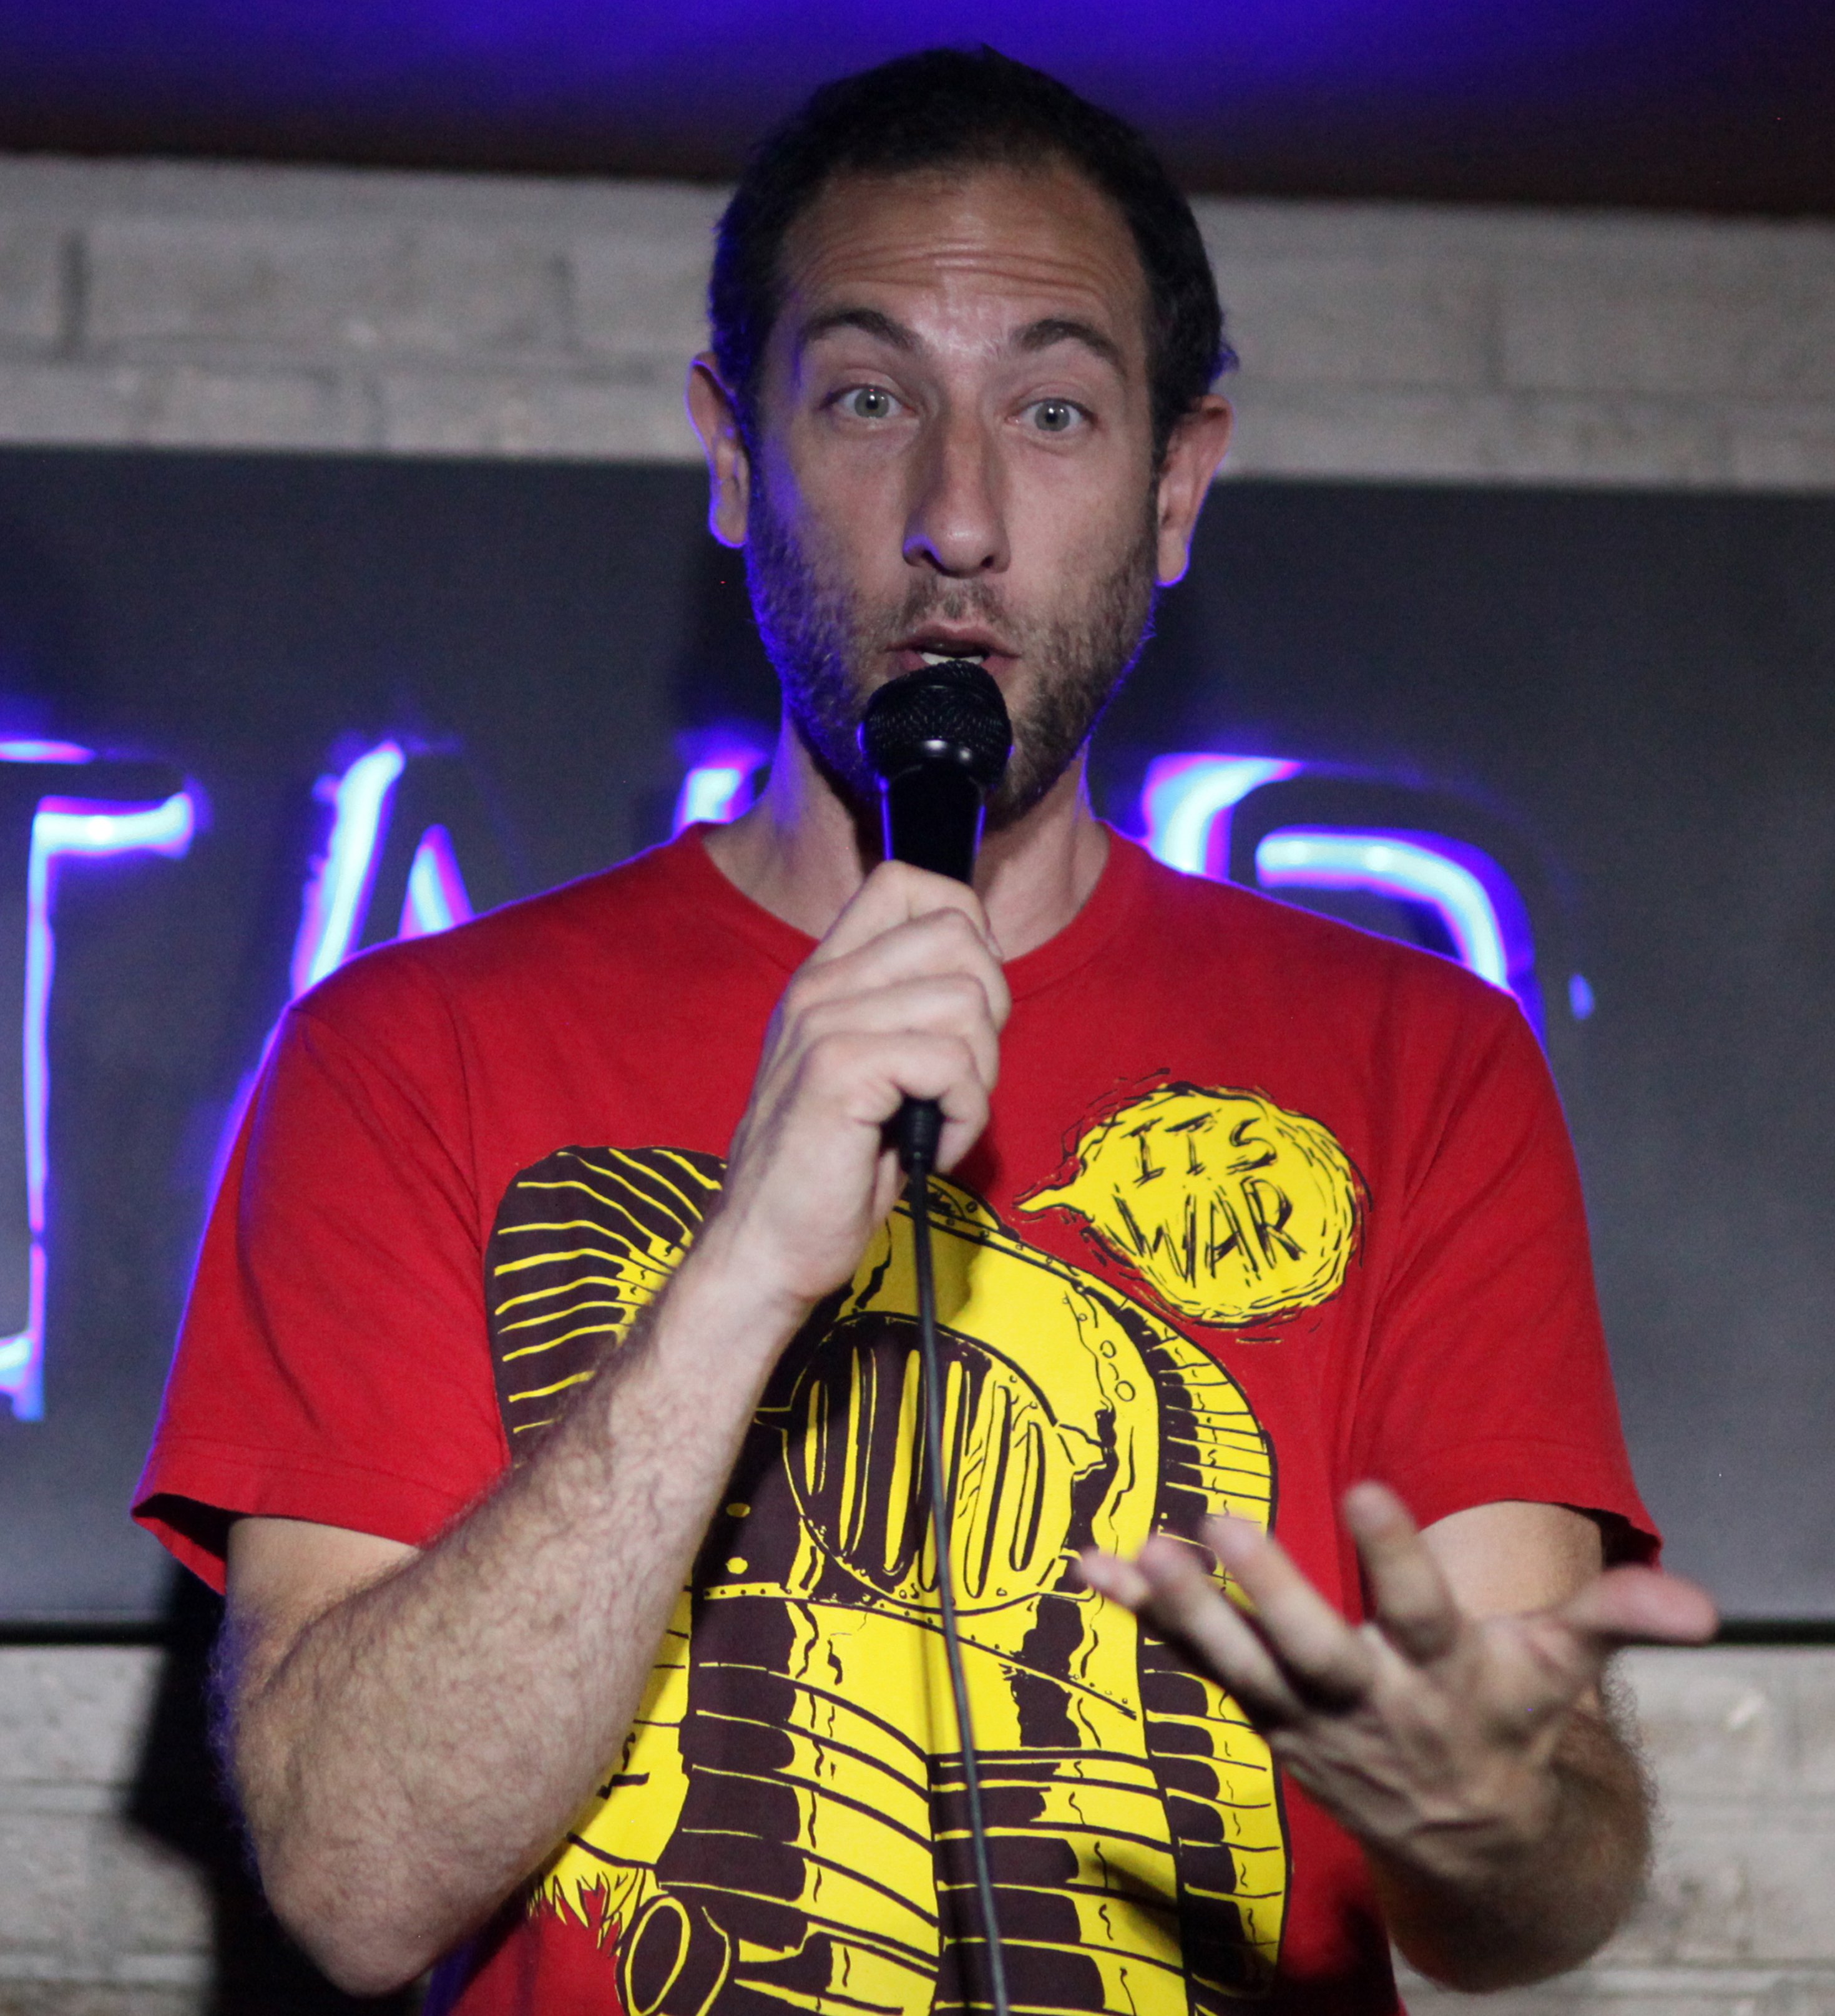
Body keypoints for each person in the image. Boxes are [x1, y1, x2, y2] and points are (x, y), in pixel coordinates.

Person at [135, 46, 1716, 2016]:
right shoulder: (406, 1047)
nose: (956, 516)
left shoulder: (1423, 1058)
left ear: (1174, 489)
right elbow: (353, 1886)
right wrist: (738, 1275)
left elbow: (1529, 1896)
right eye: (869, 398)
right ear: (734, 458)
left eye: (1052, 410)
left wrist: (1487, 1813)